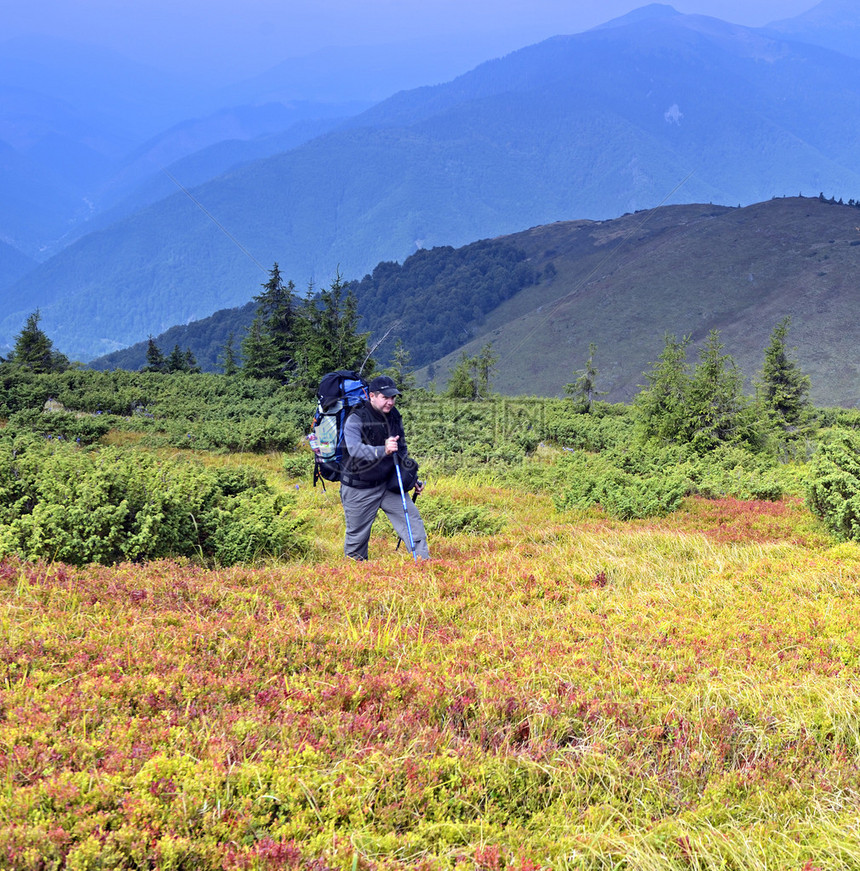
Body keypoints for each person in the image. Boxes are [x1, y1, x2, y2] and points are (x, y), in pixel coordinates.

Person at [339, 374, 429, 560]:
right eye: (385, 397)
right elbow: (355, 449)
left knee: (413, 522)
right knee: (357, 537)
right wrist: (383, 450)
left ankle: (424, 564)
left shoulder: (394, 416)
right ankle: (356, 576)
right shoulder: (355, 417)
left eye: (393, 397)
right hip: (358, 486)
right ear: (372, 396)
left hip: (389, 484)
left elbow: (401, 449)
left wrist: (411, 479)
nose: (390, 402)